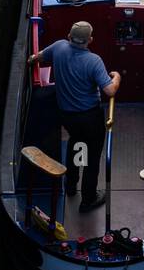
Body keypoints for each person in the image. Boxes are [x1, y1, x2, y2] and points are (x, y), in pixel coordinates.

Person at [27, 21, 120, 212]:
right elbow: (110, 91)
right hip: (90, 117)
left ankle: (70, 186)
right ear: (90, 40)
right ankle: (88, 198)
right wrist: (117, 76)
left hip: (67, 116)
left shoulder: (58, 47)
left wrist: (30, 60)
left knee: (77, 143)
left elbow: (35, 59)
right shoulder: (94, 61)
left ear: (69, 36)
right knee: (92, 157)